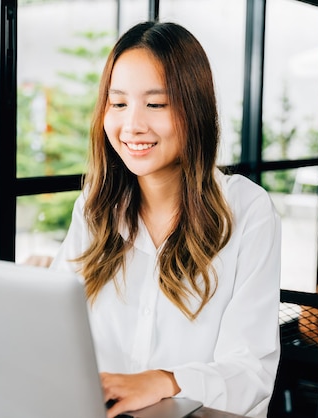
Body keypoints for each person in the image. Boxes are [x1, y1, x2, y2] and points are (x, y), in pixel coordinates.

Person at [49, 21, 281, 418]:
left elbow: (250, 372)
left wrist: (165, 381)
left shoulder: (248, 211)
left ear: (195, 110)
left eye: (156, 104)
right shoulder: (95, 205)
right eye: (118, 103)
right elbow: (49, 324)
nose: (132, 125)